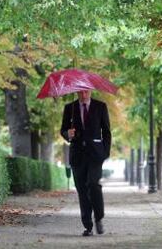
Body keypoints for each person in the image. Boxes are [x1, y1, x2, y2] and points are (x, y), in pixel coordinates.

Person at [60, 90, 111, 236]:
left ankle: (99, 217)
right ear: (77, 92)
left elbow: (106, 132)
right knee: (82, 189)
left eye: (86, 91)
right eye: (81, 92)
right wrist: (67, 134)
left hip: (95, 155)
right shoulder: (70, 108)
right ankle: (88, 226)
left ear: (91, 91)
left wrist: (105, 152)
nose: (83, 95)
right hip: (77, 155)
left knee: (93, 184)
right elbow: (63, 129)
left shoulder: (100, 106)